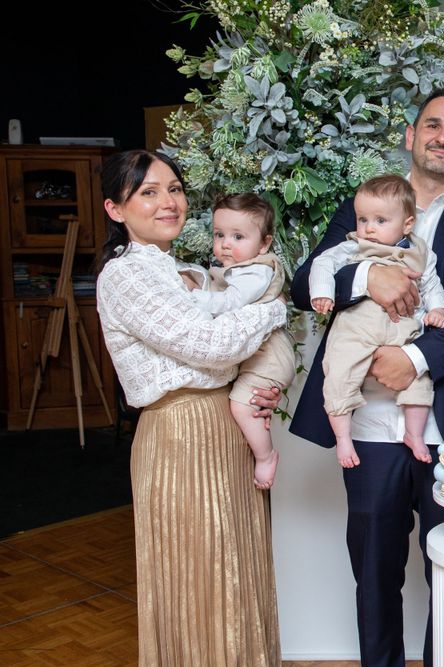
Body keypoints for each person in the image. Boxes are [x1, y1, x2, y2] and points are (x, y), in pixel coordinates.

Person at [289, 84, 444, 667]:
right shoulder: (363, 205)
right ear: (411, 136)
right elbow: (303, 282)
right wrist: (368, 281)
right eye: (433, 125)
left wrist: (414, 359)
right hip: (366, 426)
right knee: (374, 568)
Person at [95, 150, 286, 665]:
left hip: (222, 426)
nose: (168, 202)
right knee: (198, 573)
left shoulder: (186, 269)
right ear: (117, 209)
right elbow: (209, 346)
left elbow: (221, 357)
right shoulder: (126, 275)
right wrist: (273, 310)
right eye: (149, 192)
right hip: (179, 434)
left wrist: (250, 376)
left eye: (174, 189)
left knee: (237, 568)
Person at [308, 174, 444, 467]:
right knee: (339, 375)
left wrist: (437, 309)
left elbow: (432, 284)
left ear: (407, 224)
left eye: (380, 221)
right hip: (356, 329)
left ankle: (414, 433)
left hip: (404, 331)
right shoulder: (354, 247)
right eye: (362, 220)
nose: (368, 228)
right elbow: (322, 263)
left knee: (420, 381)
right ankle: (344, 439)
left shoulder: (420, 254)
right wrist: (322, 292)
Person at [181, 192, 295, 490]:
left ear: (265, 243)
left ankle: (266, 456)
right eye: (219, 234)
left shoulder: (257, 270)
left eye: (238, 236)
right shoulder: (238, 267)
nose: (226, 243)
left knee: (243, 407)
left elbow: (230, 301)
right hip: (257, 353)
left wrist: (191, 297)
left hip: (269, 355)